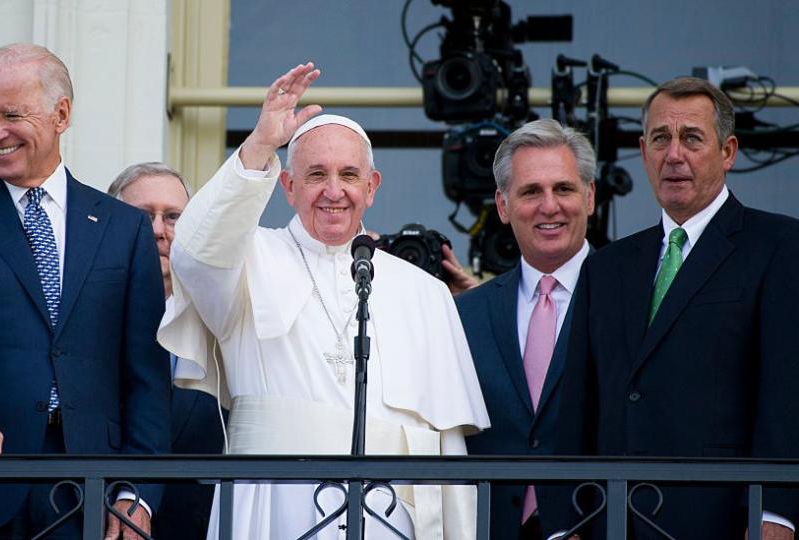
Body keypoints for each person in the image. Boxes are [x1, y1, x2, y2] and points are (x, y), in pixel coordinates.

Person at [158, 63, 489, 539]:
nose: (334, 191)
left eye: (348, 175)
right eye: (315, 174)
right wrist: (259, 146)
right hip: (273, 509)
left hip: (390, 517)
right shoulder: (247, 259)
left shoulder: (426, 293)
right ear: (288, 187)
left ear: (370, 188)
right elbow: (193, 251)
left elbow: (447, 449)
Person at [0, 43, 170, 539]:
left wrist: (137, 492)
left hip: (89, 488)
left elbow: (146, 375)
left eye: (12, 114)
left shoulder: (123, 228)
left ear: (61, 114)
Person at [555, 76, 799, 539]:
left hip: (722, 522)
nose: (674, 155)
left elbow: (787, 397)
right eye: (661, 139)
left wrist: (776, 516)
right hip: (614, 522)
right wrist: (567, 526)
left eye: (691, 138)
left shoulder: (780, 246)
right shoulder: (606, 267)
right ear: (643, 150)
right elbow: (577, 414)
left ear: (728, 152)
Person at [456, 119, 595, 539]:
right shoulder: (464, 315)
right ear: (502, 205)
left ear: (589, 197)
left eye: (564, 189)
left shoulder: (630, 296)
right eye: (531, 191)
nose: (549, 206)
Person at [108, 162, 225, 538]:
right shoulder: (83, 320)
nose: (158, 230)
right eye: (142, 217)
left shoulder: (225, 318)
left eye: (173, 217)